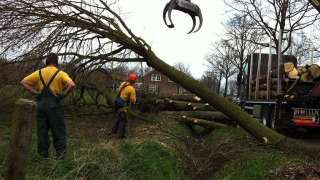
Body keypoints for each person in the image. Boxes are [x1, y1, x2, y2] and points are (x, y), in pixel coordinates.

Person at [20, 53, 75, 159]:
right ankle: (60, 155)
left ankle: (43, 156)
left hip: (41, 106)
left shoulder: (39, 72)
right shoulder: (60, 73)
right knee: (58, 131)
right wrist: (63, 94)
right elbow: (72, 85)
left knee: (42, 131)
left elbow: (23, 82)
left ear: (47, 61)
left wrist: (35, 93)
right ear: (56, 62)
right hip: (55, 107)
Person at [111, 73, 137, 138]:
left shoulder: (123, 83)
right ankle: (121, 135)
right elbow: (133, 100)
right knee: (123, 119)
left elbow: (118, 91)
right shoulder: (132, 89)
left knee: (119, 117)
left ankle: (114, 131)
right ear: (134, 81)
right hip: (122, 104)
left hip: (117, 101)